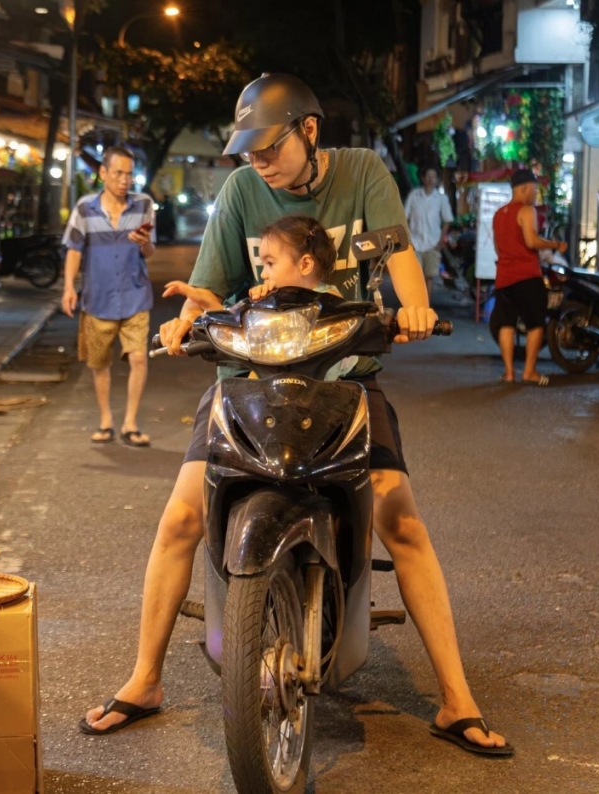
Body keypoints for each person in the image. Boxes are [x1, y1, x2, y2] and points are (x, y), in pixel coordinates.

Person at [80, 73, 513, 757]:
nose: (257, 161)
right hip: (247, 380)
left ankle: (456, 701)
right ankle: (145, 678)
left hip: (344, 378)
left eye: (268, 147)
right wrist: (185, 320)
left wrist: (417, 307)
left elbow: (397, 255)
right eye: (248, 151)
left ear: (309, 132)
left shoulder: (364, 173)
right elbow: (212, 283)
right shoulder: (240, 193)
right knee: (181, 517)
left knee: (400, 519)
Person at [61, 146, 157, 447]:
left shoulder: (143, 205)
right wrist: (67, 287)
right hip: (97, 298)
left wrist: (144, 244)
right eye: (118, 173)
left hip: (135, 294)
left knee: (139, 357)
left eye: (129, 174)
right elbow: (74, 250)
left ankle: (130, 423)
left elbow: (150, 251)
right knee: (99, 363)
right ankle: (106, 420)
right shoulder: (84, 208)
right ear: (103, 173)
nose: (125, 180)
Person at [490, 169, 565, 386]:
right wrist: (554, 244)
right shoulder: (526, 210)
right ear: (524, 189)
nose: (536, 193)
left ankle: (509, 372)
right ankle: (530, 371)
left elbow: (497, 247)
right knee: (535, 324)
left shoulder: (498, 214)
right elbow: (531, 241)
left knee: (506, 324)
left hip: (504, 276)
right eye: (534, 189)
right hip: (526, 275)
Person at [404, 166, 454, 289]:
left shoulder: (441, 198)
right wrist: (408, 240)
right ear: (423, 178)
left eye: (434, 177)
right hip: (416, 243)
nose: (431, 179)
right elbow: (405, 217)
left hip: (433, 243)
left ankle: (426, 307)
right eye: (428, 176)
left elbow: (447, 220)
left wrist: (440, 242)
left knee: (429, 278)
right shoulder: (414, 196)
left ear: (437, 180)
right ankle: (414, 306)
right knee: (416, 277)